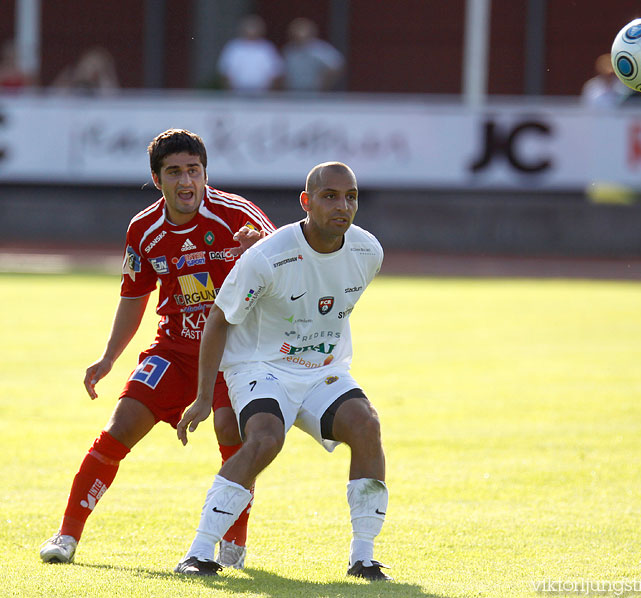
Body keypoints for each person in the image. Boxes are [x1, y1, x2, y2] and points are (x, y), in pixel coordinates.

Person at [39, 128, 275, 568]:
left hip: (235, 353)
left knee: (230, 433)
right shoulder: (143, 229)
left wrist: (260, 253)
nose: (186, 181)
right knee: (119, 428)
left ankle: (232, 545)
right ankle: (66, 536)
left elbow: (289, 270)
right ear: (157, 177)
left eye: (194, 170)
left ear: (205, 174)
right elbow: (134, 297)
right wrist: (109, 356)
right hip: (175, 350)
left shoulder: (236, 216)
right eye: (175, 172)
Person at [173, 161, 392, 582]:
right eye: (329, 196)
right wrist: (204, 397)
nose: (342, 205)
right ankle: (199, 553)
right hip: (259, 365)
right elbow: (219, 319)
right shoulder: (269, 256)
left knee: (366, 425)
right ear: (306, 202)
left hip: (321, 370)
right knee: (267, 438)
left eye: (351, 197)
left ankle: (363, 559)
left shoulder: (369, 253)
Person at [217, 15, 283, 93]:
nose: (251, 31)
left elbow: (277, 72)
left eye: (254, 28)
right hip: (237, 93)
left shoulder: (267, 48)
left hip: (262, 94)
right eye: (249, 27)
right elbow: (224, 71)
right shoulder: (233, 47)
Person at [282, 17, 345, 93]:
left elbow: (336, 66)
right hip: (292, 92)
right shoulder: (289, 50)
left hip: (313, 92)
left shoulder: (320, 49)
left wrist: (323, 85)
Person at [51, 46, 120, 95]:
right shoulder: (69, 79)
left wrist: (102, 79)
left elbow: (111, 100)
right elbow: (53, 100)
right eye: (90, 65)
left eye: (96, 66)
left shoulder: (104, 84)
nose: (92, 71)